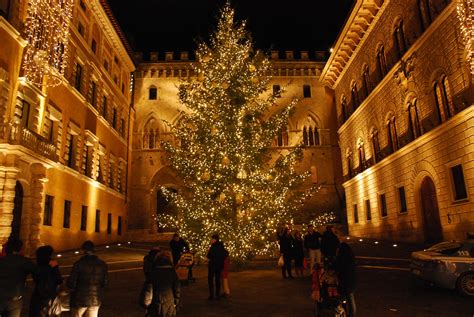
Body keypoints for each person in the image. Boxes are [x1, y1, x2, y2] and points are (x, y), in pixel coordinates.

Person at [67, 241, 108, 317]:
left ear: (84, 250)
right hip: (95, 300)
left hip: (79, 300)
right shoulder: (102, 264)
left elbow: (71, 283)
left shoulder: (78, 264)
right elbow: (104, 283)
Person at [0, 238, 35, 317]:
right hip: (14, 299)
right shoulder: (24, 261)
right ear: (20, 249)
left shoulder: (1, 261)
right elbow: (38, 272)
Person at [30, 245, 63, 317]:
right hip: (51, 294)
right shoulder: (53, 263)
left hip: (39, 294)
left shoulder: (37, 266)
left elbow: (36, 278)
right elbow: (58, 279)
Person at [145, 252, 180, 317]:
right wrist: (176, 301)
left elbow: (147, 288)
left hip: (155, 299)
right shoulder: (172, 272)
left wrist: (146, 303)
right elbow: (177, 288)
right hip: (169, 299)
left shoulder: (153, 271)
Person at [335, 242, 357, 317]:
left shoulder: (340, 257)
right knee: (351, 298)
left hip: (344, 282)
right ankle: (352, 314)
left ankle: (343, 313)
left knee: (343, 299)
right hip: (352, 281)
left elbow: (336, 267)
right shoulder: (351, 257)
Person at [206, 234, 227, 300]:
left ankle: (211, 295)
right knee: (217, 280)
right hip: (219, 265)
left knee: (210, 280)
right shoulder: (221, 246)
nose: (211, 240)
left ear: (215, 240)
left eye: (212, 239)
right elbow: (226, 254)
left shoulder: (213, 247)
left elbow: (209, 256)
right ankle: (217, 294)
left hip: (213, 266)